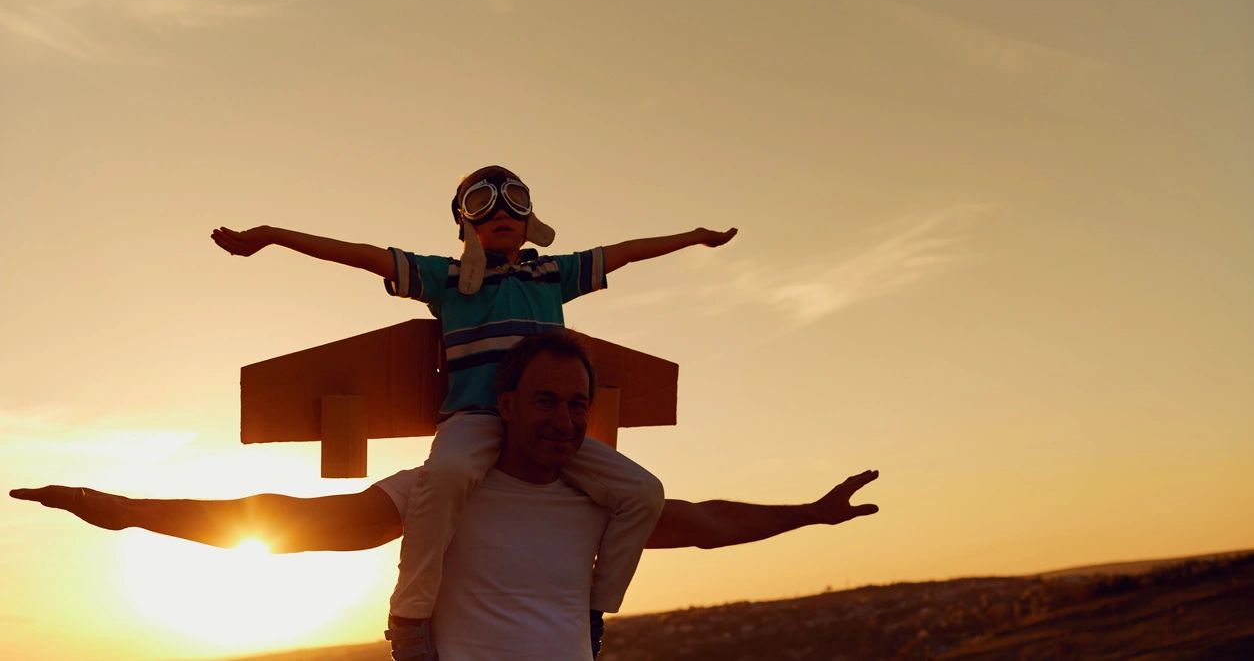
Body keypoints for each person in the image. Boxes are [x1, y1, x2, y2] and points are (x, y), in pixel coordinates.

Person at [11, 331, 880, 660]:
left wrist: (812, 512)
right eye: (546, 400)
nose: (564, 419)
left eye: (578, 405)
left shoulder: (600, 504)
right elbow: (283, 523)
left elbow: (707, 524)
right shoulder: (435, 493)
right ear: (503, 406)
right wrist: (122, 507)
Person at [210, 167, 738, 657]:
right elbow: (366, 255)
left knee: (642, 492)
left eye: (515, 200)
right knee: (447, 473)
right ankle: (410, 616)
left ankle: (595, 608)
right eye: (482, 201)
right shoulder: (448, 277)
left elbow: (623, 252)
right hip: (476, 420)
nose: (501, 211)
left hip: (546, 430)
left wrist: (691, 237)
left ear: (531, 219)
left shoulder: (554, 274)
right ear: (464, 219)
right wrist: (276, 235)